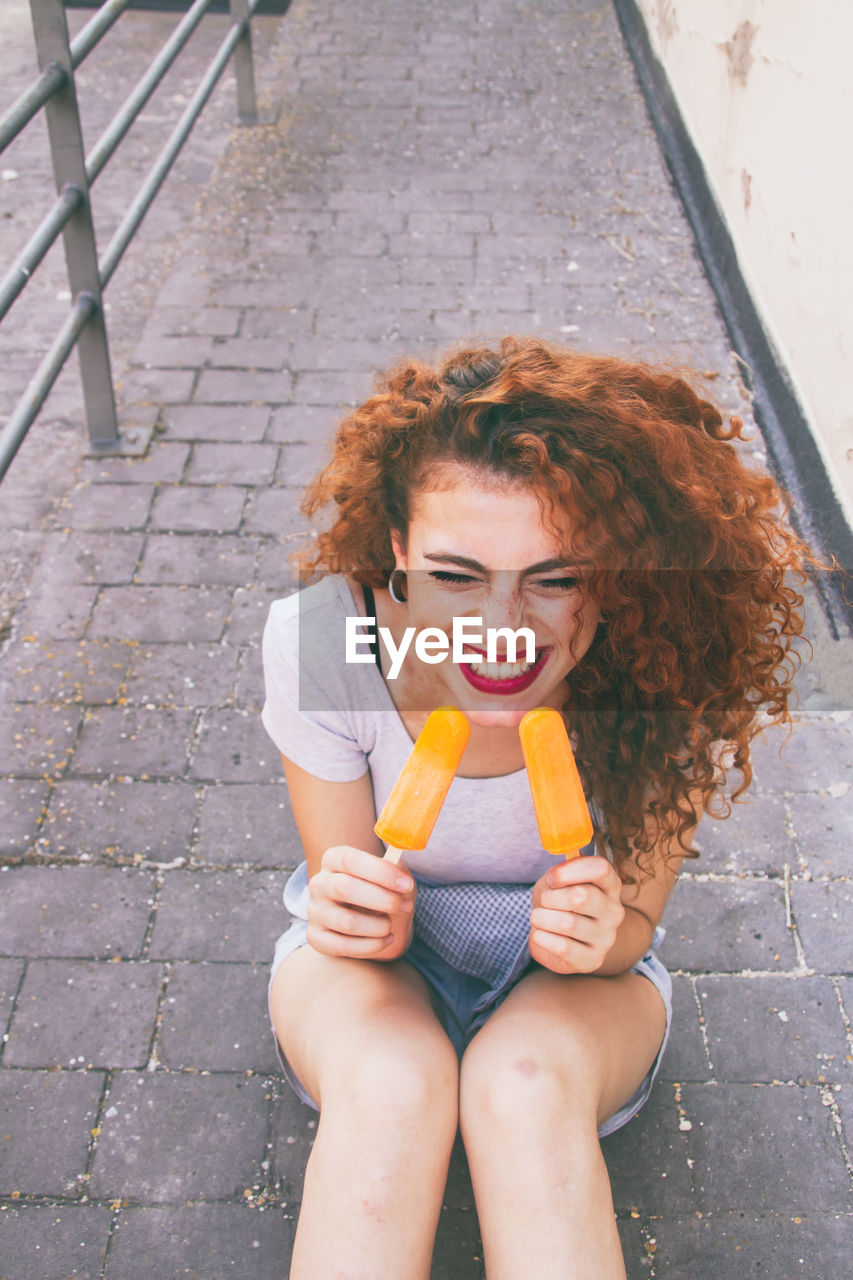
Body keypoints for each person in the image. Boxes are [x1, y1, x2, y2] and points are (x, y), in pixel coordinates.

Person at [261, 336, 812, 1279]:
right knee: (394, 1086)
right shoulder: (326, 645)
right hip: (376, 974)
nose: (500, 631)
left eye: (555, 579)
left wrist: (607, 935)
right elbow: (340, 895)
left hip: (578, 992)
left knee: (520, 1089)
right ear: (397, 551)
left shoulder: (660, 670)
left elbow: (635, 925)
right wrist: (353, 909)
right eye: (456, 574)